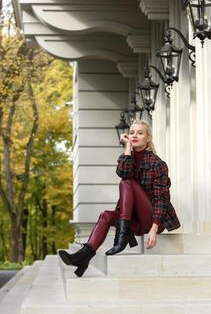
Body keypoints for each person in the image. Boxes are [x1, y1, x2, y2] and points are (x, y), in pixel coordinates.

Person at [59, 119, 180, 277]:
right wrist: (128, 147)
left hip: (153, 218)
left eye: (140, 133)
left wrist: (154, 227)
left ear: (148, 138)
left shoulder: (157, 164)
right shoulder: (127, 156)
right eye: (131, 133)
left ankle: (121, 238)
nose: (134, 135)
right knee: (106, 215)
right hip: (133, 220)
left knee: (127, 182)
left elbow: (161, 198)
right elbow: (123, 171)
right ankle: (84, 256)